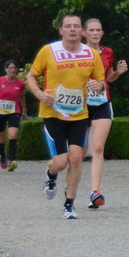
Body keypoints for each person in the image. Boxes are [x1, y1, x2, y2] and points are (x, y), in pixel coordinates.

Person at [26, 15, 107, 218]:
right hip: (53, 114)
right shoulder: (49, 51)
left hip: (79, 114)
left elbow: (101, 81)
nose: (72, 29)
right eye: (68, 26)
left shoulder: (90, 54)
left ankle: (69, 204)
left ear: (82, 31)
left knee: (77, 157)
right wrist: (39, 94)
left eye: (76, 26)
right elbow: (31, 76)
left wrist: (99, 85)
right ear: (61, 30)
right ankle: (51, 174)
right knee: (61, 162)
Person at [83, 18, 129, 209]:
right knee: (77, 151)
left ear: (102, 33)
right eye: (91, 30)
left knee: (98, 147)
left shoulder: (108, 52)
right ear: (84, 33)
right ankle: (69, 187)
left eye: (98, 30)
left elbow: (108, 77)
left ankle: (95, 191)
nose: (95, 33)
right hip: (80, 104)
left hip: (102, 102)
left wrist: (117, 72)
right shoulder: (77, 52)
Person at [0, 60, 26, 169]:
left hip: (14, 111)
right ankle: (3, 157)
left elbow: (22, 96)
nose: (12, 70)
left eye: (14, 68)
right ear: (6, 69)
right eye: (10, 68)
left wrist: (24, 110)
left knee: (12, 135)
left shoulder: (20, 83)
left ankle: (12, 160)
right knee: (1, 138)